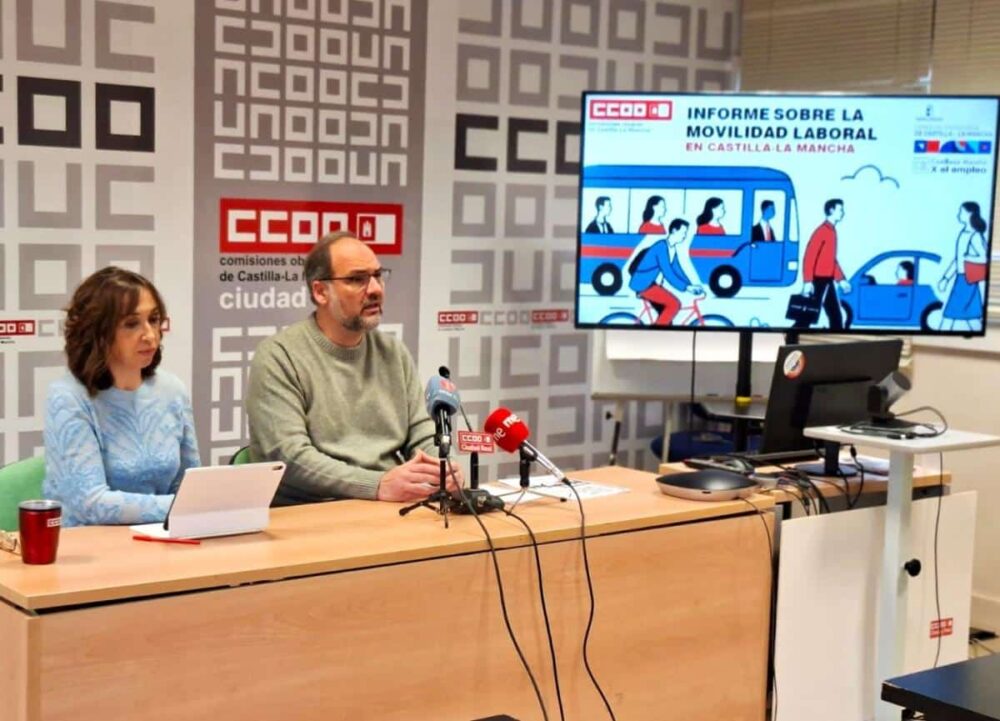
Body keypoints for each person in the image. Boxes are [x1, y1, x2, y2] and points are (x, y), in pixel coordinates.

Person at [246, 230, 463, 505]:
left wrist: (443, 465)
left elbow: (422, 432)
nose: (375, 289)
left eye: (377, 275)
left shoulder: (393, 352)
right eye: (357, 279)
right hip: (311, 510)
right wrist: (377, 484)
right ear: (320, 292)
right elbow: (290, 456)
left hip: (389, 505)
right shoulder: (279, 356)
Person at [43, 267, 200, 526]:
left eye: (153, 319)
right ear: (99, 332)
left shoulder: (172, 390)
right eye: (131, 324)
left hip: (162, 537)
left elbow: (189, 483)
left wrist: (199, 506)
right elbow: (91, 504)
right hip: (89, 543)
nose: (150, 335)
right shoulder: (68, 398)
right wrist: (186, 507)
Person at [627, 219, 704, 326]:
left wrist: (691, 285)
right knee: (674, 304)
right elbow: (668, 273)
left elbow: (677, 270)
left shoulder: (671, 248)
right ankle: (656, 333)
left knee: (667, 317)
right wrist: (686, 288)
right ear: (674, 230)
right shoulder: (661, 247)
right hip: (643, 285)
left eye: (685, 233)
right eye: (683, 232)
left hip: (650, 284)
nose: (684, 236)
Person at [797, 199, 851, 330]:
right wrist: (808, 282)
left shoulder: (831, 231)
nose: (843, 213)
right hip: (818, 281)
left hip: (826, 280)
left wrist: (841, 279)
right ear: (831, 210)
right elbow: (809, 257)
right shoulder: (822, 231)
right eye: (840, 210)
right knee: (808, 316)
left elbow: (830, 260)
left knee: (834, 316)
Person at [938, 201, 988, 331]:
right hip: (961, 278)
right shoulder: (963, 233)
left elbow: (984, 257)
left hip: (967, 280)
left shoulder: (975, 236)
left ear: (970, 214)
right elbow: (957, 260)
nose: (958, 214)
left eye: (961, 212)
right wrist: (946, 278)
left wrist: (967, 257)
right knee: (970, 317)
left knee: (950, 315)